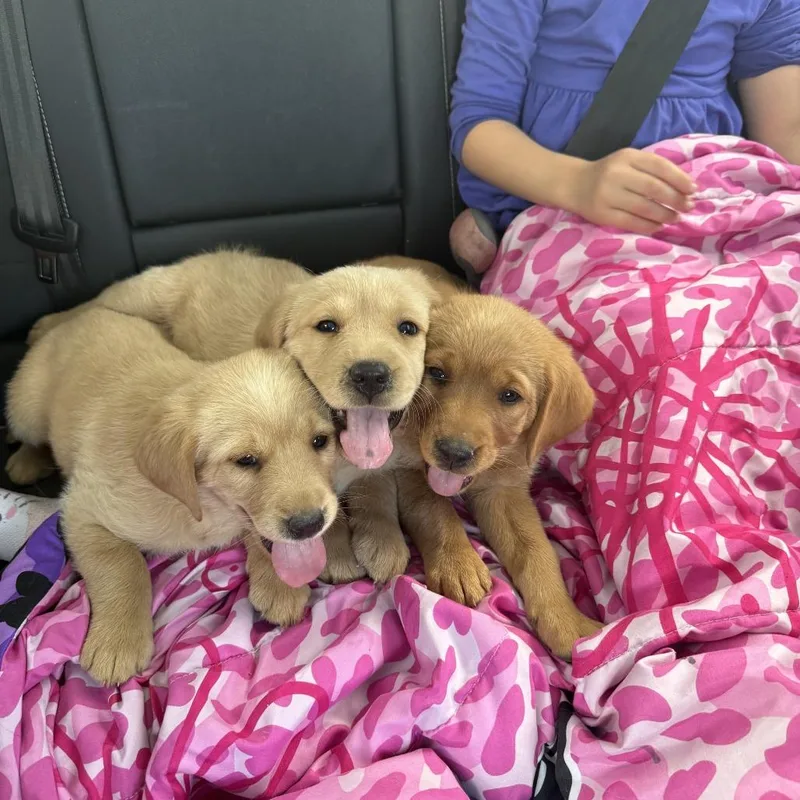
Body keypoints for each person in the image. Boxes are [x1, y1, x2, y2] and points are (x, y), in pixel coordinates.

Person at [449, 0, 800, 274]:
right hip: (564, 222)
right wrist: (577, 184)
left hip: (720, 215)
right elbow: (479, 123)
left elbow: (786, 141)